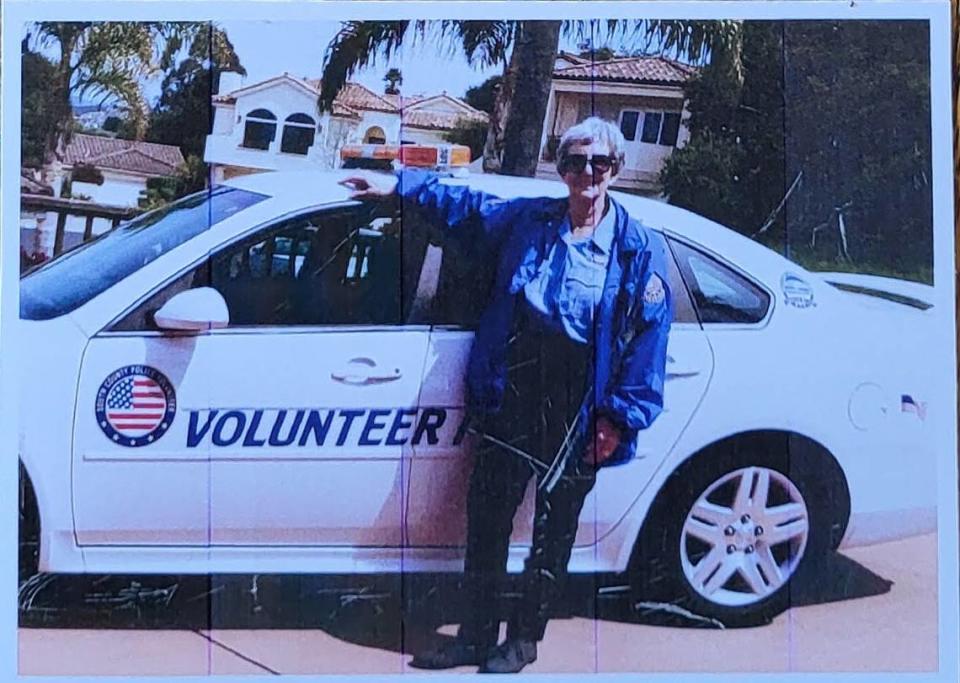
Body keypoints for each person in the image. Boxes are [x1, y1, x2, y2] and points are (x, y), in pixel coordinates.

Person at [341, 117, 672, 674]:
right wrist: (398, 185)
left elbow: (649, 338)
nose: (585, 173)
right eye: (574, 162)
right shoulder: (529, 220)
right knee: (488, 517)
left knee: (553, 527)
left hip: (580, 398)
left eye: (597, 163)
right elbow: (465, 208)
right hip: (516, 381)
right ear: (561, 168)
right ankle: (473, 635)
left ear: (614, 169)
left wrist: (618, 420)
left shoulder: (638, 250)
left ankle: (522, 641)